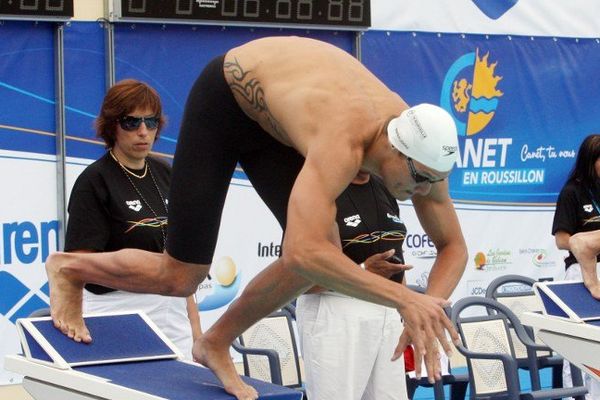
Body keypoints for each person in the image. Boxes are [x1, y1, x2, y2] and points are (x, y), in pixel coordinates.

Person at [46, 37, 467, 400]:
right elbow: (302, 252)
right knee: (182, 277)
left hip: (280, 113)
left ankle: (215, 342)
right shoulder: (344, 142)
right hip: (227, 96)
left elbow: (454, 246)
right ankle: (70, 268)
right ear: (395, 151)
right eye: (420, 180)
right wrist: (404, 299)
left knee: (325, 259)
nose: (425, 191)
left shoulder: (427, 153)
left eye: (434, 181)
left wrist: (430, 305)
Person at [64, 79, 202, 359]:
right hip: (117, 312)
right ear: (112, 125)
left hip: (172, 309)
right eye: (131, 122)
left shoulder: (165, 171)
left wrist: (198, 334)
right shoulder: (94, 181)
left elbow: (180, 264)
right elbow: (78, 265)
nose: (143, 132)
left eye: (151, 122)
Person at [296, 171, 413, 400]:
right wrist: (362, 271)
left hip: (387, 308)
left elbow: (396, 259)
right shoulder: (321, 187)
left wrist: (408, 308)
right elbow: (298, 272)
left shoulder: (384, 186)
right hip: (337, 309)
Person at [553, 133, 600, 399]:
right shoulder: (572, 192)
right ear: (590, 161)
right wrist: (589, 242)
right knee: (581, 343)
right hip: (581, 274)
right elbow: (562, 241)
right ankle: (576, 396)